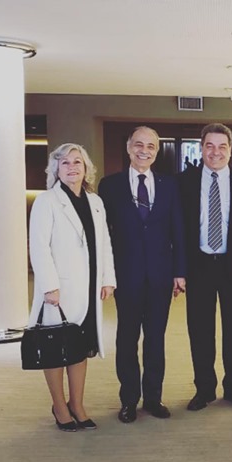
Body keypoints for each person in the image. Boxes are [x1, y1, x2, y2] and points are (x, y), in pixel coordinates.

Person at [98, 126, 186, 423]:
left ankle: (153, 398)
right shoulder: (110, 186)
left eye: (150, 146)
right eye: (139, 145)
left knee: (155, 339)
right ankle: (128, 400)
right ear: (128, 147)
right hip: (126, 276)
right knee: (127, 338)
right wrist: (106, 275)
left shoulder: (169, 185)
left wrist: (179, 272)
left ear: (157, 151)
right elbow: (103, 236)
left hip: (161, 276)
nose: (144, 151)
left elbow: (178, 230)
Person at [28, 143, 116, 431]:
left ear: (86, 168)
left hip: (88, 288)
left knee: (80, 347)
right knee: (56, 348)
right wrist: (49, 287)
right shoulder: (46, 201)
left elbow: (104, 243)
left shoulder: (95, 202)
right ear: (56, 169)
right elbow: (39, 247)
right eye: (65, 162)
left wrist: (108, 278)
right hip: (59, 291)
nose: (72, 167)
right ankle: (59, 406)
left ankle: (77, 404)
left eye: (77, 162)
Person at [179, 122, 232, 410]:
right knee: (200, 330)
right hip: (199, 265)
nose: (216, 152)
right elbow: (177, 229)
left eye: (222, 146)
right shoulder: (184, 181)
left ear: (230, 149)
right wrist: (179, 269)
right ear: (201, 148)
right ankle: (204, 389)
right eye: (210, 146)